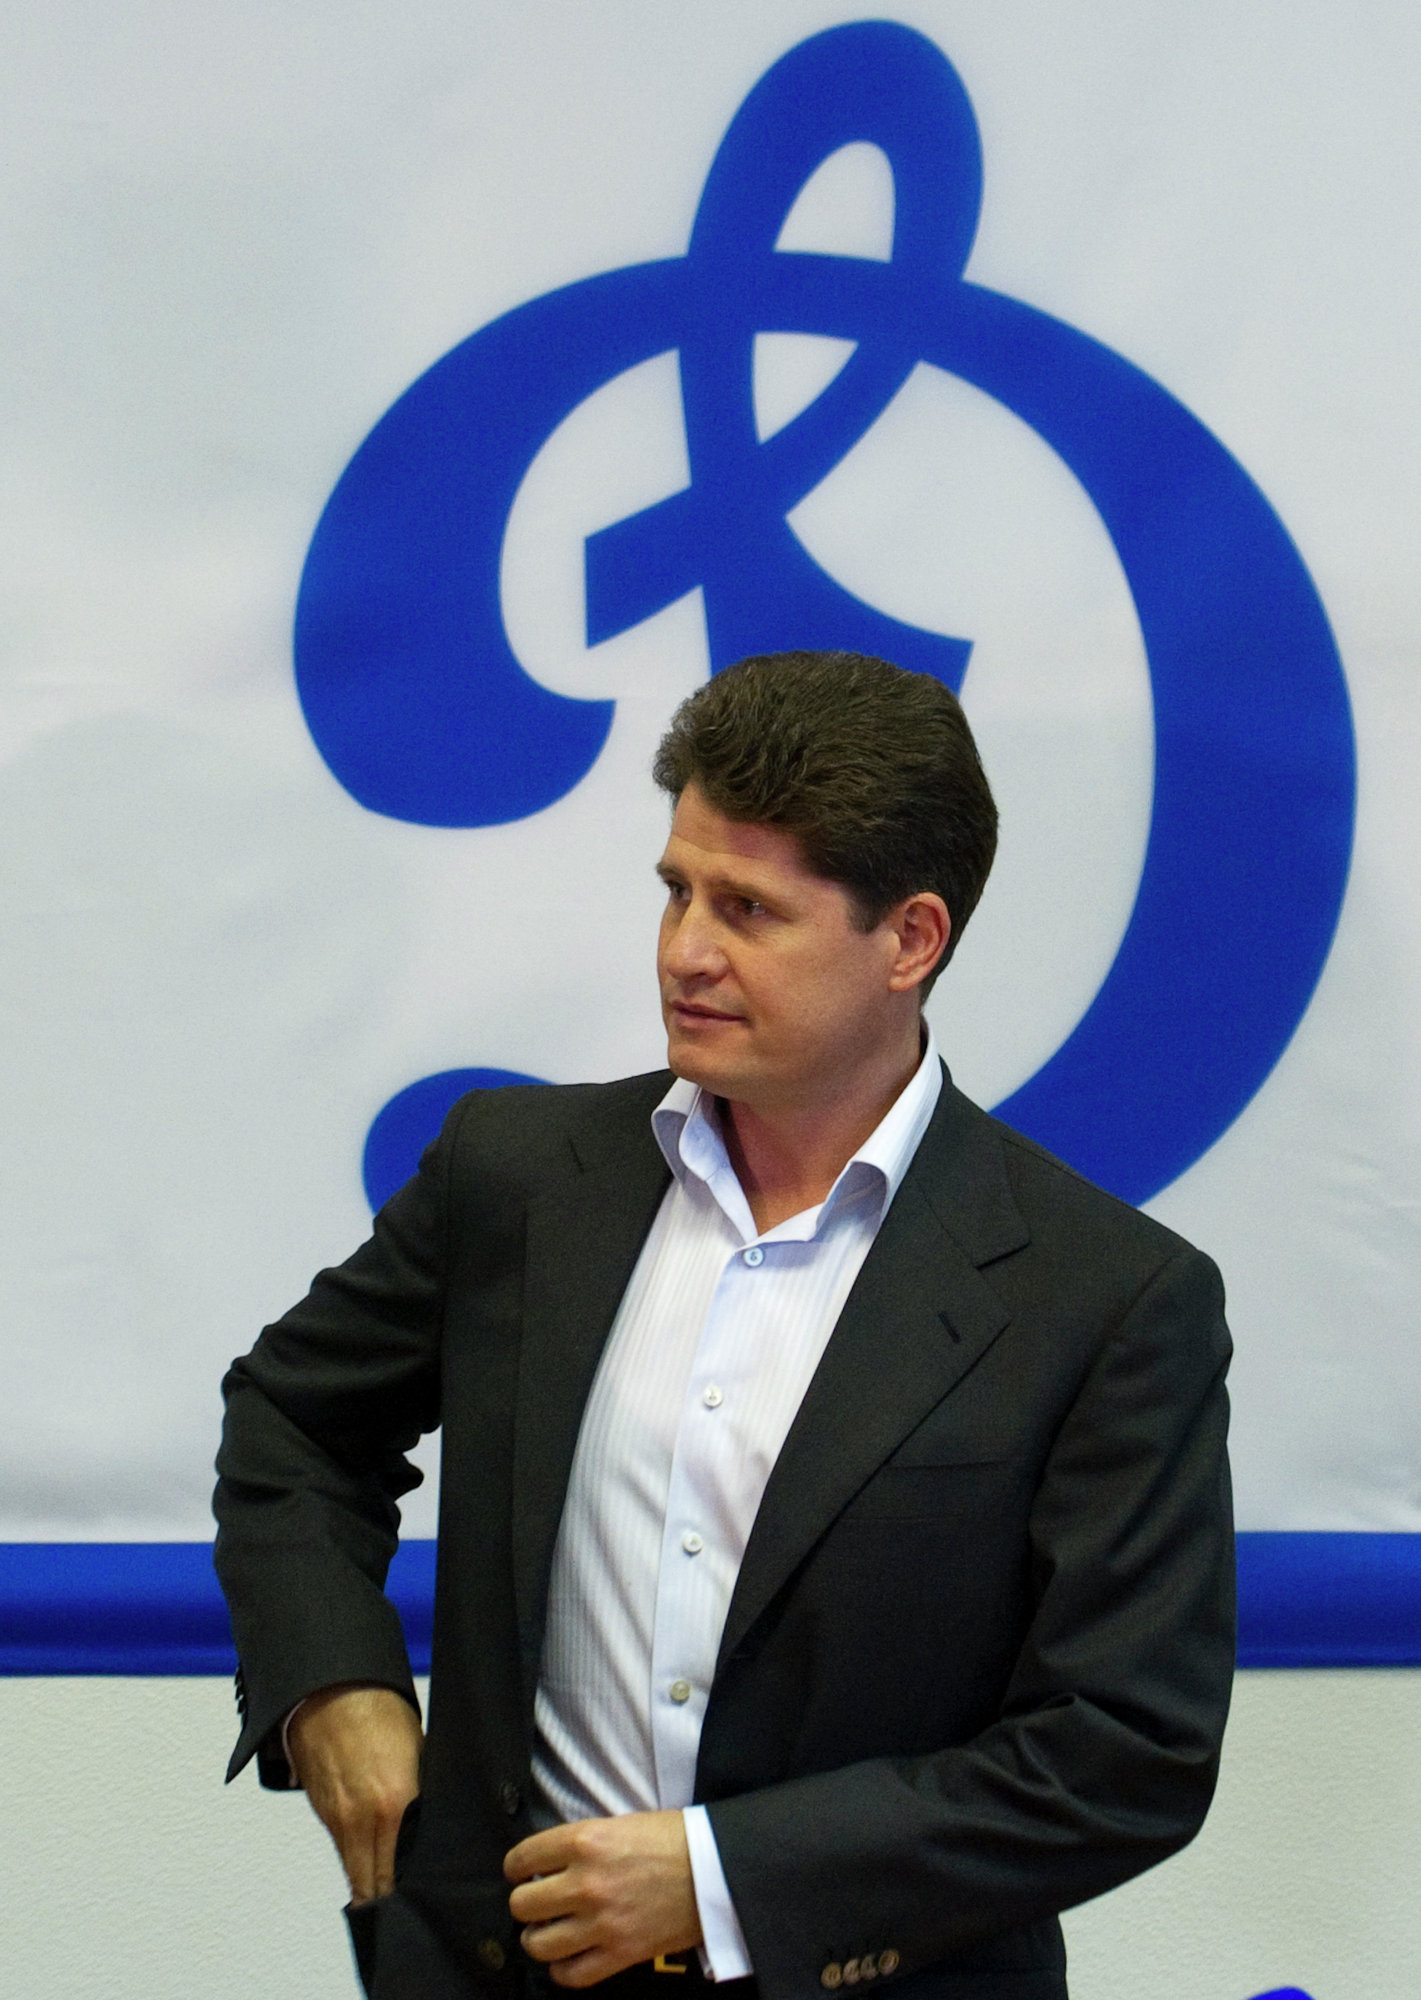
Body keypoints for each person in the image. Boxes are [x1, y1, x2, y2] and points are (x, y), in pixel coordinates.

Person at [214, 650, 1234, 2000]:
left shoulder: (1104, 1298)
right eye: (677, 891)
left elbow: (1123, 1752)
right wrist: (333, 1687)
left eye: (749, 910)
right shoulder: (517, 1176)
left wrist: (722, 1880)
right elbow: (292, 1421)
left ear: (909, 941)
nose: (685, 951)